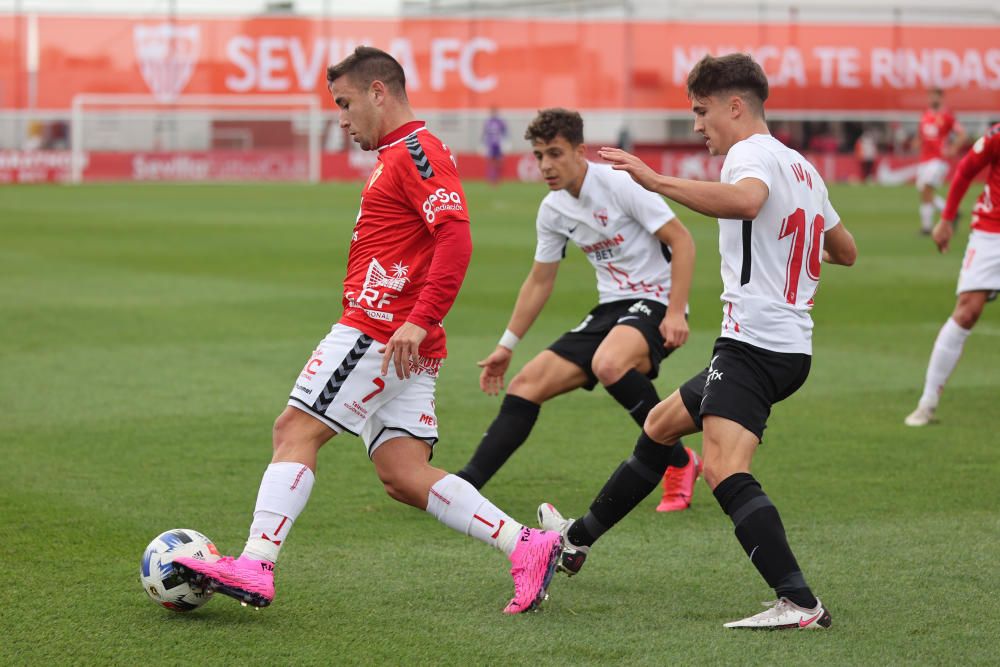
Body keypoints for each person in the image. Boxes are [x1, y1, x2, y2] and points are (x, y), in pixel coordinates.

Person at [172, 46, 561, 615]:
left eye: (346, 102)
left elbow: (456, 238)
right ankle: (526, 545)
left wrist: (418, 320)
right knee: (404, 474)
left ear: (379, 91)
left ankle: (256, 563)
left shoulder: (416, 151)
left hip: (380, 331)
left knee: (293, 430)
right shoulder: (398, 154)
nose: (341, 117)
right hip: (400, 337)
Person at [538, 53, 857, 629]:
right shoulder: (801, 166)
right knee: (659, 426)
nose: (697, 125)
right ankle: (576, 541)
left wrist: (655, 180)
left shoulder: (750, 154)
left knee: (722, 470)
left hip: (755, 345)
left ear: (735, 106)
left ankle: (800, 603)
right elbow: (846, 250)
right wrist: (796, 253)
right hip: (781, 345)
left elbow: (748, 202)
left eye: (701, 111)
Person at [456, 108, 701, 512]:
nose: (545, 165)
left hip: (656, 301)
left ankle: (676, 464)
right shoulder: (553, 210)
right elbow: (539, 281)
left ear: (580, 151)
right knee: (525, 385)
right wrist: (506, 345)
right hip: (612, 310)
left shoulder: (620, 184)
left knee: (609, 363)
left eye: (555, 153)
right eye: (538, 156)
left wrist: (676, 312)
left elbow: (683, 240)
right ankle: (464, 486)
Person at [905, 122, 1000, 427]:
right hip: (992, 231)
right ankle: (927, 402)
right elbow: (965, 170)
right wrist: (945, 221)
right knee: (967, 311)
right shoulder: (997, 136)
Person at [915, 88, 967, 234]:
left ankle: (927, 227)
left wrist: (953, 148)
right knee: (924, 191)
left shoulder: (947, 116)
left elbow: (962, 134)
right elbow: (922, 136)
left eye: (935, 97)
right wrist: (916, 143)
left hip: (938, 160)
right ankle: (952, 212)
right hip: (924, 159)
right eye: (930, 96)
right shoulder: (925, 116)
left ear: (941, 98)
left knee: (926, 189)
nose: (932, 99)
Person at [482, 107, 507, 185]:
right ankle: (491, 179)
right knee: (491, 162)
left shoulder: (500, 122)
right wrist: (482, 144)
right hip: (490, 145)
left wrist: (506, 143)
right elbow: (484, 134)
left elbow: (505, 133)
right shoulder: (487, 122)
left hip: (498, 145)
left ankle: (497, 178)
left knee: (499, 162)